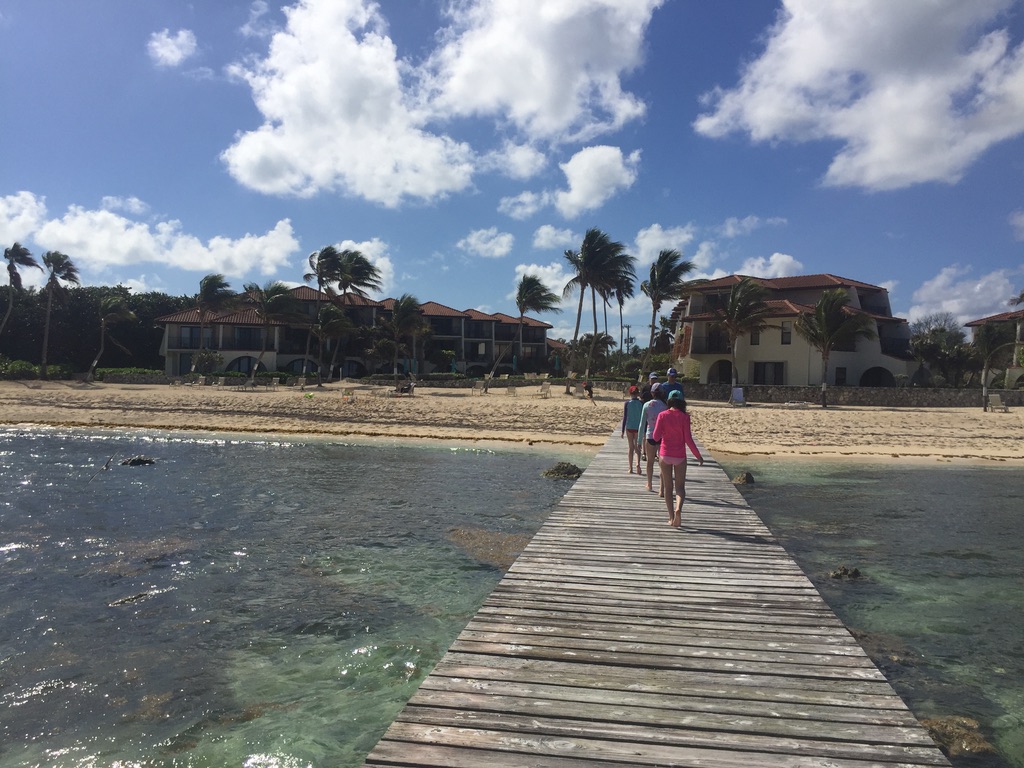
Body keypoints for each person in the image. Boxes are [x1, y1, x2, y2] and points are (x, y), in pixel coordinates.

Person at [652, 390, 703, 527]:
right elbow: (688, 439)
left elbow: (656, 437)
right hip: (680, 456)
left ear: (669, 401)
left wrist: (663, 431)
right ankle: (678, 508)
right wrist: (698, 456)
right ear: (682, 402)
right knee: (680, 488)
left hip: (665, 454)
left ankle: (671, 517)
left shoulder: (662, 415)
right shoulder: (685, 417)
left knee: (668, 488)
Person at [635, 383, 668, 494]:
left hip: (650, 436)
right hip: (662, 437)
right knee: (662, 463)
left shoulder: (647, 405)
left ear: (652, 393)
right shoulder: (665, 406)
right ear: (662, 393)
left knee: (650, 462)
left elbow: (642, 424)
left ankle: (649, 484)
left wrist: (639, 441)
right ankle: (661, 488)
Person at [620, 385, 643, 473]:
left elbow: (625, 417)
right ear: (637, 393)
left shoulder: (627, 403)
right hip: (638, 427)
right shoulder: (641, 403)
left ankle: (630, 468)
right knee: (637, 447)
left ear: (630, 393)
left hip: (629, 426)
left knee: (630, 447)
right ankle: (638, 464)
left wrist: (622, 431)